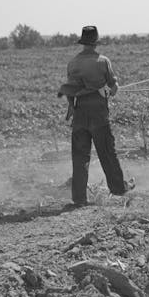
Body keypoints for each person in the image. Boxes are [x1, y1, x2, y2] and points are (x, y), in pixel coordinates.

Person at [57, 25, 134, 208]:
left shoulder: (73, 63)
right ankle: (118, 189)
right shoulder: (103, 61)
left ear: (83, 43)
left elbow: (70, 90)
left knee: (80, 156)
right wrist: (111, 90)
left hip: (80, 113)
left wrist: (73, 108)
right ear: (96, 42)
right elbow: (113, 86)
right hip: (98, 113)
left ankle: (79, 198)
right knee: (107, 152)